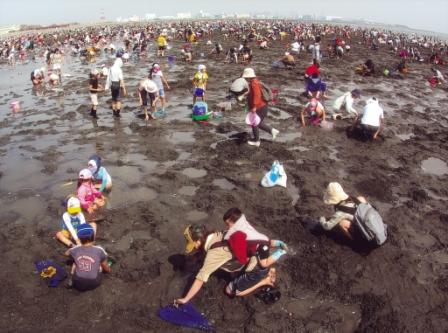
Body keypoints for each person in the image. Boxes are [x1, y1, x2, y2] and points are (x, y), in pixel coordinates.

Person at [174, 224, 276, 305]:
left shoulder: (213, 255)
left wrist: (185, 299)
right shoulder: (219, 234)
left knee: (230, 291)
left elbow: (200, 279)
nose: (194, 247)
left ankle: (264, 280)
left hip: (255, 269)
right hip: (260, 255)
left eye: (193, 243)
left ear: (199, 240)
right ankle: (267, 268)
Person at [222, 207, 288, 268]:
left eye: (227, 224)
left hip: (261, 247)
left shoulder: (237, 232)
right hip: (262, 238)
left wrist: (242, 260)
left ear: (233, 222)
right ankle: (279, 243)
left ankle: (280, 252)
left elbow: (240, 252)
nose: (227, 227)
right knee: (267, 242)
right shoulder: (244, 223)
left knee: (264, 264)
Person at [65, 224, 111, 291]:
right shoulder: (100, 250)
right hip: (94, 283)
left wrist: (74, 248)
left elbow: (66, 253)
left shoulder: (75, 249)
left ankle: (71, 279)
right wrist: (108, 270)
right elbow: (105, 266)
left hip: (77, 281)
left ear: (79, 239)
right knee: (100, 263)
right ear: (93, 237)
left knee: (75, 262)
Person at [243, 68, 279, 147]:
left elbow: (257, 95)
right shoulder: (253, 82)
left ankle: (257, 140)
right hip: (262, 106)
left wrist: (254, 106)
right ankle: (272, 131)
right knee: (257, 123)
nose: (245, 78)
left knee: (255, 123)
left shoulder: (254, 83)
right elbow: (253, 93)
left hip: (260, 106)